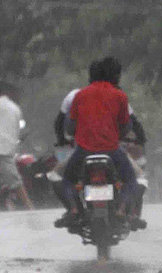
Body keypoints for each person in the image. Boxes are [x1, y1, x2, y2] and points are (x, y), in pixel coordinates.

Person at [56, 57, 142, 227]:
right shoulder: (120, 96)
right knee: (131, 180)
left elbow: (70, 126)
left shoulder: (80, 95)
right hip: (111, 149)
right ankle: (121, 209)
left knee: (67, 180)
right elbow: (126, 125)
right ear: (114, 76)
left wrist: (73, 135)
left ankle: (73, 209)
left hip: (84, 150)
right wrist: (118, 135)